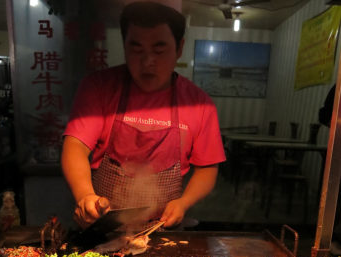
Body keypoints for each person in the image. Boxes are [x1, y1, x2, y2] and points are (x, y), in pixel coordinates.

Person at [61, 1, 225, 230]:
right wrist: (85, 196)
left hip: (164, 228)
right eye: (137, 49)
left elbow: (207, 168)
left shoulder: (199, 104)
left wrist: (184, 203)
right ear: (125, 46)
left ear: (179, 48)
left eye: (159, 50)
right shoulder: (98, 87)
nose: (147, 61)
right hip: (102, 227)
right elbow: (75, 145)